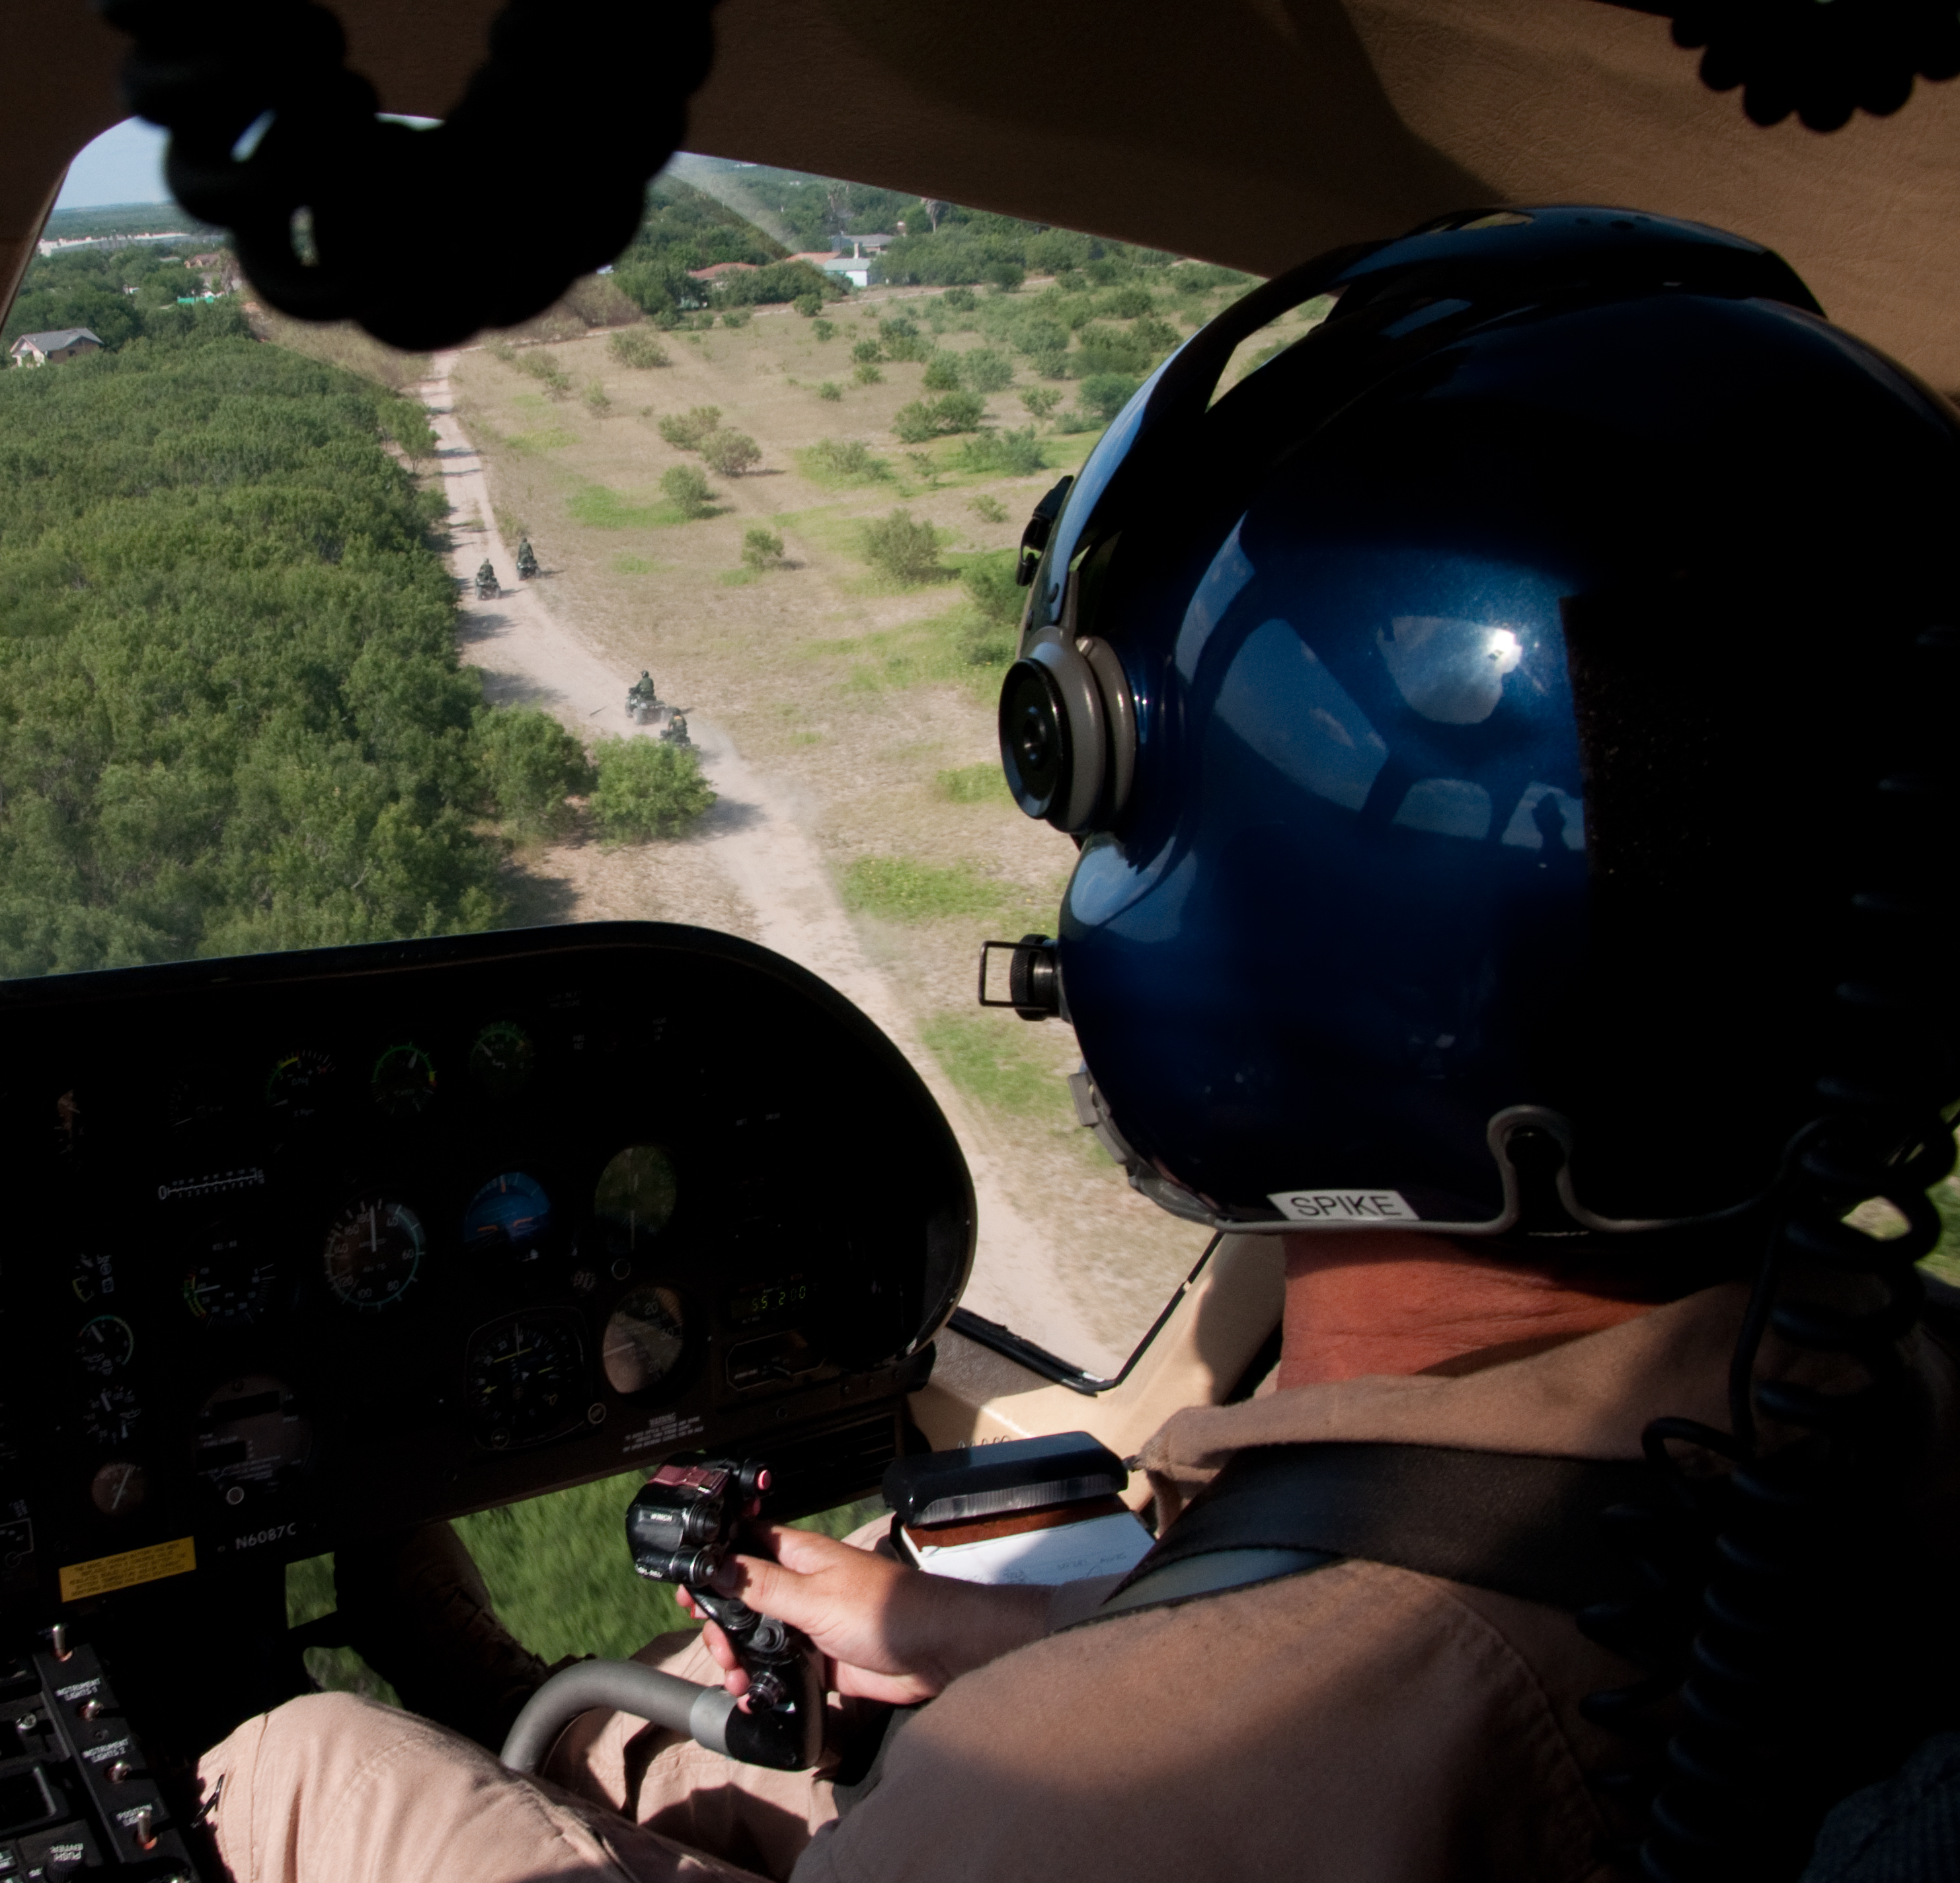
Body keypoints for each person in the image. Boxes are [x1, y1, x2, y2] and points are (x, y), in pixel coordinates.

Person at [190, 207, 1960, 1883]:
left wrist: (272, 1739)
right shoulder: (1900, 1395)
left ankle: (348, 1708)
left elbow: (1301, 1714)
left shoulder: (1123, 1783)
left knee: (303, 1760)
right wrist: (1025, 1634)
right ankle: (501, 1695)